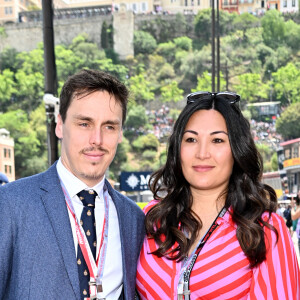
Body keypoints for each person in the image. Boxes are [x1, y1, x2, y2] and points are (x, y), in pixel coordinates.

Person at [136, 91, 300, 299]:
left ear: (237, 150)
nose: (202, 153)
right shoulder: (152, 218)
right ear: (178, 148)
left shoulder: (264, 230)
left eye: (218, 140)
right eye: (191, 139)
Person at [0, 69, 145, 300]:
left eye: (109, 126)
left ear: (120, 134)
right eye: (84, 124)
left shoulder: (133, 218)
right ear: (60, 125)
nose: (96, 140)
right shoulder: (9, 204)